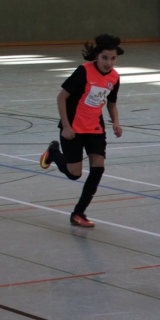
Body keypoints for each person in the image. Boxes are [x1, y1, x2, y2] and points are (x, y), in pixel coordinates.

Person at [38, 34, 123, 227]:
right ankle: (53, 152)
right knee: (74, 174)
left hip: (95, 129)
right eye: (104, 58)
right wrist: (66, 126)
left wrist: (116, 123)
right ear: (96, 56)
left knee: (98, 169)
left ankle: (78, 213)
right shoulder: (83, 71)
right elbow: (61, 97)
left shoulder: (114, 77)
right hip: (74, 129)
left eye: (113, 58)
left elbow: (111, 103)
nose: (109, 63)